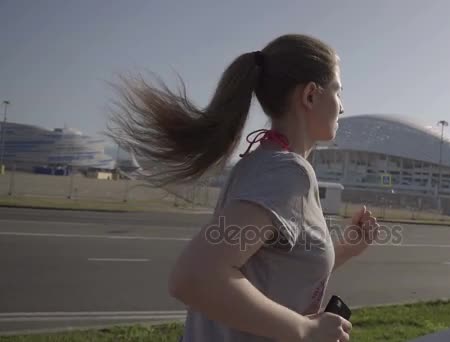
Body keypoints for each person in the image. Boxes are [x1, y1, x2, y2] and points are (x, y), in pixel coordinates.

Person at [108, 34, 379, 342]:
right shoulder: (287, 172)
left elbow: (275, 271)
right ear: (311, 96)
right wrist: (306, 330)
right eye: (338, 91)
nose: (342, 107)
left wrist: (346, 249)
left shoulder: (259, 164)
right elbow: (194, 277)